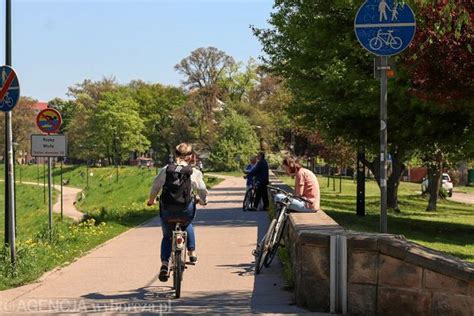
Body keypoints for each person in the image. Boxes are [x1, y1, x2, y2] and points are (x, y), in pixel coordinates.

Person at [147, 143, 208, 282]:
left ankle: (164, 265)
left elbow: (156, 186)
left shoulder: (166, 169)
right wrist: (203, 201)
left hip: (168, 210)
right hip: (185, 210)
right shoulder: (194, 172)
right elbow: (202, 189)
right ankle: (192, 252)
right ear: (191, 156)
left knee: (167, 236)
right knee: (187, 223)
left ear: (175, 155)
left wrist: (151, 201)